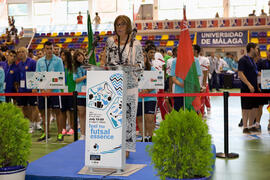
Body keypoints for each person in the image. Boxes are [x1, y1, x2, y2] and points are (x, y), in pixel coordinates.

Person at [101, 15, 144, 156]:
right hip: (113, 85)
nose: (119, 27)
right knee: (113, 117)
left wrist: (133, 66)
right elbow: (106, 60)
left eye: (122, 24)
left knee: (129, 117)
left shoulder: (136, 44)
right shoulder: (109, 42)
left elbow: (141, 65)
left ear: (128, 26)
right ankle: (114, 144)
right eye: (117, 24)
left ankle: (127, 149)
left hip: (130, 84)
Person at [36, 41, 65, 141]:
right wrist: (42, 89)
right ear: (44, 49)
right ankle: (46, 133)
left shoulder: (58, 61)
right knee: (44, 112)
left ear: (53, 49)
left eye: (51, 48)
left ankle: (60, 133)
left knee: (58, 112)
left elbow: (60, 76)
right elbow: (37, 76)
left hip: (55, 91)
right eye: (47, 49)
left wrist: (50, 89)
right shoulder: (39, 62)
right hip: (43, 92)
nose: (49, 51)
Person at [16, 47, 40, 133]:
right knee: (24, 107)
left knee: (33, 106)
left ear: (26, 52)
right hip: (22, 89)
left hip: (31, 89)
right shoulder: (18, 64)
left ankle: (35, 123)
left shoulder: (32, 62)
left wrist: (35, 87)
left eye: (22, 52)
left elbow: (36, 74)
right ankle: (29, 123)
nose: (21, 53)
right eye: (19, 52)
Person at [137, 44, 157, 142]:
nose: (142, 58)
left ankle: (150, 136)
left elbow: (155, 82)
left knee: (149, 118)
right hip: (138, 97)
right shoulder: (134, 70)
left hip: (150, 97)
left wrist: (147, 90)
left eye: (144, 56)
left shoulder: (152, 69)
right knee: (140, 118)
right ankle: (144, 137)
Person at [238, 43, 259, 134]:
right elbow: (240, 74)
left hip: (255, 88)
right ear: (251, 49)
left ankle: (251, 126)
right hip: (246, 88)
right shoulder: (243, 60)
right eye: (256, 49)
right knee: (246, 108)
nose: (258, 51)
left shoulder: (253, 61)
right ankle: (245, 127)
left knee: (254, 108)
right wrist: (249, 85)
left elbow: (255, 73)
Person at [60, 50, 76, 136]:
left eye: (64, 55)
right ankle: (63, 128)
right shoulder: (60, 67)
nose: (62, 57)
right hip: (62, 92)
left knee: (71, 111)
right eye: (61, 55)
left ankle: (72, 128)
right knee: (63, 111)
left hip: (71, 91)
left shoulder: (73, 67)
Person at [73, 50, 86, 140]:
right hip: (80, 93)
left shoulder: (89, 66)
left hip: (89, 93)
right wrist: (85, 77)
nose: (79, 57)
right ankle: (82, 134)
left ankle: (89, 133)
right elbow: (76, 80)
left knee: (90, 114)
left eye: (80, 55)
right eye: (77, 56)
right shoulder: (76, 68)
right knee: (81, 114)